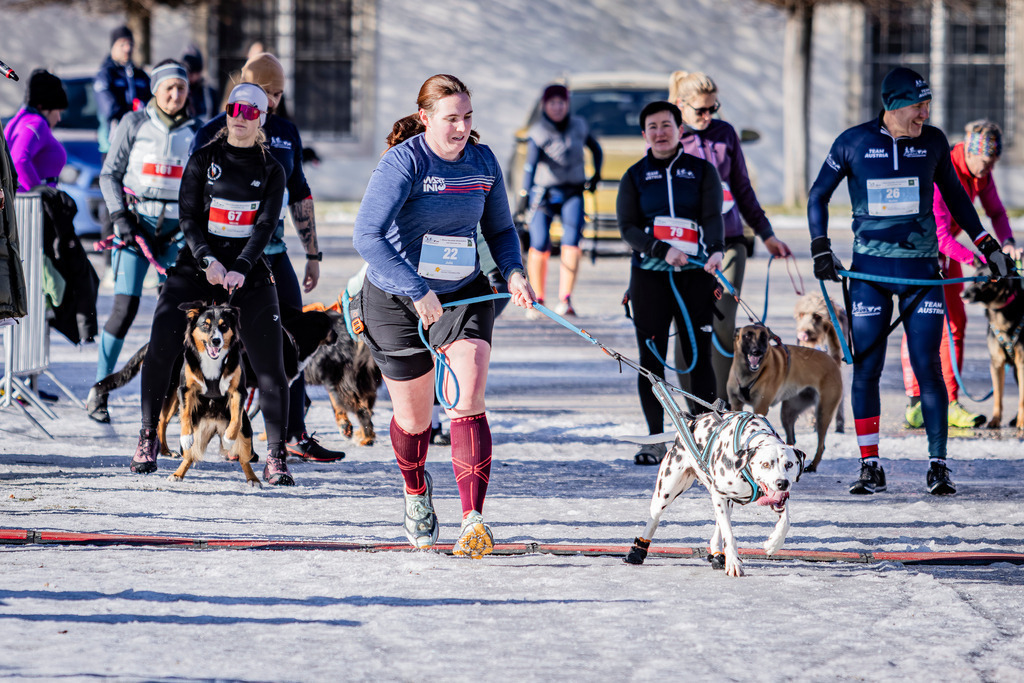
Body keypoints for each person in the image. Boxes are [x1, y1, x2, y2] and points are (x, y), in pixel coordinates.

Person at [807, 67, 1015, 496]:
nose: (925, 113)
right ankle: (870, 466)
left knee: (929, 368)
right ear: (894, 104)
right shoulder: (853, 142)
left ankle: (938, 466)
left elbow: (958, 199)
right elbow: (817, 195)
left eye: (927, 105)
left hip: (922, 273)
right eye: (918, 106)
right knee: (867, 369)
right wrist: (820, 246)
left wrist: (987, 245)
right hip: (870, 274)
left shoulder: (934, 142)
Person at [352, 74, 535, 558]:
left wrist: (514, 272)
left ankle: (473, 518)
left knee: (466, 398)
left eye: (468, 117)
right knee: (414, 420)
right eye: (451, 118)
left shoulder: (482, 160)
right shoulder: (403, 161)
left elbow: (500, 228)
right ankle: (415, 491)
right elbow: (366, 237)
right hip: (395, 300)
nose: (461, 127)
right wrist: (416, 289)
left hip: (462, 295)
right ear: (425, 118)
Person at [129, 83, 294, 485]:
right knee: (162, 341)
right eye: (234, 108)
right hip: (198, 265)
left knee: (271, 363)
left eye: (251, 110)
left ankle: (276, 455)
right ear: (226, 112)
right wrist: (208, 260)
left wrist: (240, 265)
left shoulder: (272, 168)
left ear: (262, 117)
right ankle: (149, 435)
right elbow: (187, 217)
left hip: (247, 270)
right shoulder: (204, 158)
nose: (240, 116)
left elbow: (266, 225)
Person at [190, 52, 343, 463]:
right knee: (226, 347)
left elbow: (300, 191)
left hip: (272, 253)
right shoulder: (211, 133)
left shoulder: (286, 133)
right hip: (223, 262)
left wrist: (312, 252)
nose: (272, 101)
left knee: (292, 343)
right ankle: (231, 433)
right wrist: (202, 260)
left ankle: (294, 432)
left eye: (278, 94)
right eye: (265, 92)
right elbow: (191, 201)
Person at [87, 60, 203, 423]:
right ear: (154, 89)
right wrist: (120, 216)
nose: (175, 94)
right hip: (137, 229)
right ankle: (99, 389)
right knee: (124, 311)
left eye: (181, 88)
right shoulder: (134, 123)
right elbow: (109, 175)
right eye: (168, 87)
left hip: (177, 234)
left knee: (175, 316)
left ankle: (170, 398)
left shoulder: (198, 130)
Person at [670, 71, 791, 399]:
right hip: (687, 246)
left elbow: (742, 187)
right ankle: (696, 404)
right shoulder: (671, 136)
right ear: (681, 106)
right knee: (689, 326)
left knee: (723, 325)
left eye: (714, 108)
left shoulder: (725, 134)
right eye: (701, 110)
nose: (709, 116)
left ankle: (723, 403)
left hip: (729, 240)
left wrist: (766, 233)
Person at [617, 101, 724, 466]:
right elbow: (627, 227)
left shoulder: (702, 171)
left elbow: (712, 216)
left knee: (699, 357)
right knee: (652, 361)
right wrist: (660, 250)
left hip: (695, 275)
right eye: (653, 127)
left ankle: (703, 436)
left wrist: (716, 251)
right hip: (650, 278)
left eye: (667, 125)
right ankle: (655, 439)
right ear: (644, 134)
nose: (660, 132)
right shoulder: (634, 175)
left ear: (681, 130)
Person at [900, 120, 1020, 431]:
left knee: (955, 323)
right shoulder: (944, 172)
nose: (989, 168)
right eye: (986, 161)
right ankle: (917, 402)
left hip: (946, 251)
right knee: (920, 322)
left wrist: (1006, 243)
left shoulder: (981, 175)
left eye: (994, 162)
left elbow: (996, 212)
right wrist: (981, 260)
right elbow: (940, 236)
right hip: (917, 249)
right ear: (969, 152)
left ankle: (949, 401)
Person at [517, 83, 602, 317]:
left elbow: (596, 149)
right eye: (552, 103)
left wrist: (596, 175)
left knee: (572, 242)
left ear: (567, 104)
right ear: (545, 105)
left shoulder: (579, 125)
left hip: (573, 191)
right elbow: (530, 166)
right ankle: (538, 298)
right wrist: (524, 196)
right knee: (540, 243)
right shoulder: (539, 130)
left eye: (561, 102)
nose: (557, 107)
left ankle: (565, 298)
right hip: (544, 194)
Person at [4, 69, 68, 193]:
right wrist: (40, 194)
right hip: (30, 208)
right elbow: (18, 159)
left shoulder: (17, 120)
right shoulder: (36, 123)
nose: (59, 118)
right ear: (43, 107)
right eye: (58, 111)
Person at [94, 25, 151, 156]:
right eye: (122, 44)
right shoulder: (106, 74)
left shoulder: (140, 74)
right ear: (113, 46)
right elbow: (109, 108)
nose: (128, 48)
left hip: (139, 145)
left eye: (130, 44)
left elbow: (152, 103)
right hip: (113, 146)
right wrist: (135, 114)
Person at [182, 45, 219, 122]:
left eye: (193, 73)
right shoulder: (179, 92)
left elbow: (216, 118)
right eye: (187, 72)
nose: (189, 77)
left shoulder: (210, 93)